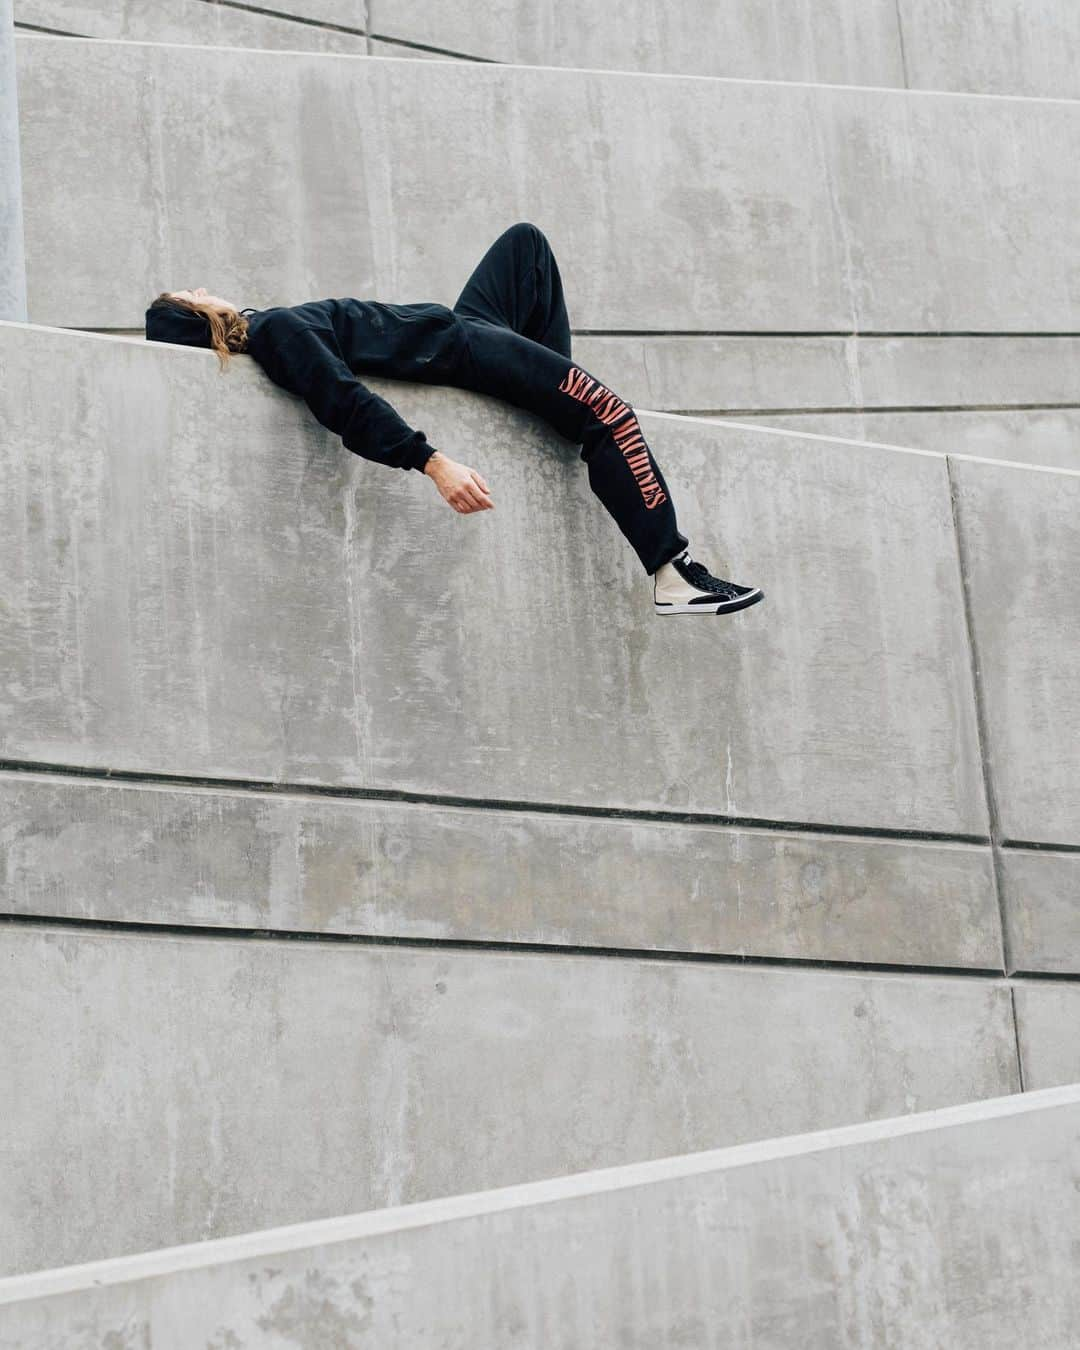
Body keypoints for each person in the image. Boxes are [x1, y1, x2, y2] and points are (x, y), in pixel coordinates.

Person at [144, 222, 764, 616]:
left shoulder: (274, 328)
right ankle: (672, 573)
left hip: (466, 327)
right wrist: (433, 463)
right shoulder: (276, 330)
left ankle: (550, 396)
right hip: (464, 350)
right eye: (194, 295)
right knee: (610, 412)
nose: (205, 287)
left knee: (528, 245)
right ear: (200, 320)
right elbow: (344, 402)